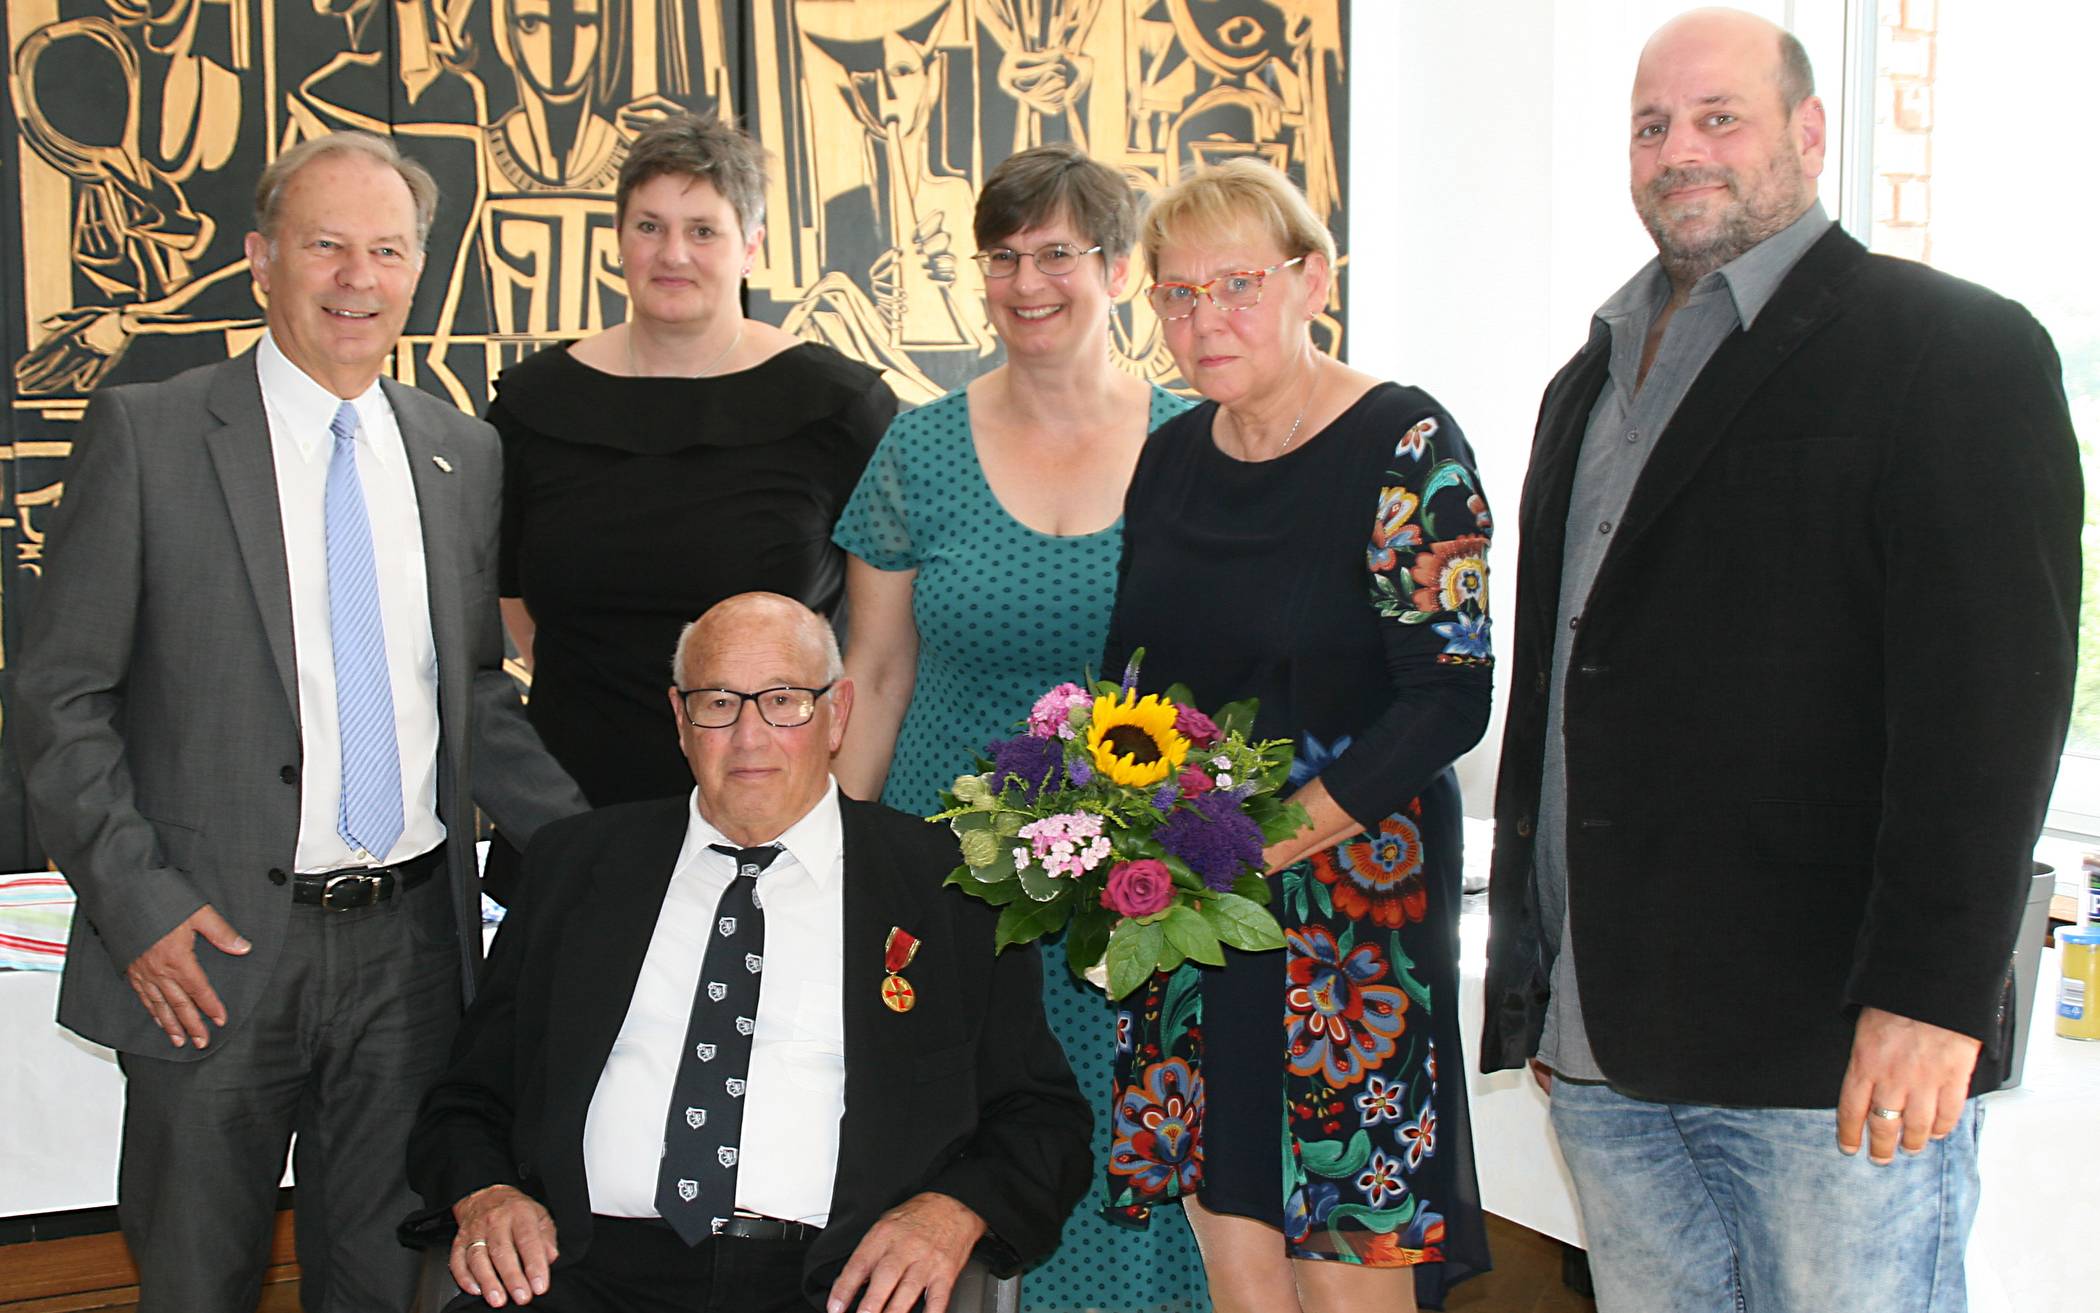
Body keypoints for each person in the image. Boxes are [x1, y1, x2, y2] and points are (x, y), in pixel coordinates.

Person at [1479, 11, 2082, 1313]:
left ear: (1810, 134)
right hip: (1608, 1052)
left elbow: (1993, 706)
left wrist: (1934, 993)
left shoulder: (1951, 352)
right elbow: (1568, 691)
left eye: (1718, 117)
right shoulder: (1585, 378)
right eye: (1652, 126)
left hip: (1837, 1054)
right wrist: (1542, 982)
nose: (1679, 150)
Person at [12, 130, 588, 1312]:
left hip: (413, 954)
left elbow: (472, 687)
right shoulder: (151, 435)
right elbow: (56, 698)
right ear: (261, 258)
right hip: (206, 948)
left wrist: (598, 848)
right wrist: (139, 905)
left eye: (386, 250)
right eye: (326, 245)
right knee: (196, 1278)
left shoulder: (457, 452)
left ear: (419, 272)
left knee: (388, 1279)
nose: (356, 278)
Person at [403, 593, 1092, 1313]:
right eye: (718, 703)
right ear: (679, 718)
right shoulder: (574, 866)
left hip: (833, 1282)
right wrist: (486, 1194)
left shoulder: (946, 888)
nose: (750, 736)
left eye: (784, 700)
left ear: (838, 712)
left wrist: (950, 1211)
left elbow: (1042, 1119)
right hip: (574, 1270)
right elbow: (466, 1099)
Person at [1100, 158, 1493, 1312]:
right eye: (1176, 293)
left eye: (1236, 284)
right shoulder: (1171, 455)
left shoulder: (1405, 443)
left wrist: (1266, 839)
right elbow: (1130, 684)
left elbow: (1448, 697)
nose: (1202, 318)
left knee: (1344, 1277)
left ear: (1312, 279)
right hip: (1195, 913)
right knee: (1244, 1281)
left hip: (1347, 932)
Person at [832, 139, 1207, 1313]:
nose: (1028, 281)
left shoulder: (1199, 442)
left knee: (1125, 1158)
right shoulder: (916, 446)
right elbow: (877, 668)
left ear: (1116, 268)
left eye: (1059, 252)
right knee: (949, 1148)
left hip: (1137, 888)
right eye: (1003, 256)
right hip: (947, 885)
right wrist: (831, 856)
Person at [488, 109, 895, 896]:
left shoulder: (840, 406)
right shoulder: (534, 404)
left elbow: (882, 648)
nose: (673, 254)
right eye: (650, 225)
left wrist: (840, 812)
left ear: (752, 244)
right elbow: (513, 602)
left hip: (770, 811)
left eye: (703, 230)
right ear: (619, 239)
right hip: (570, 812)